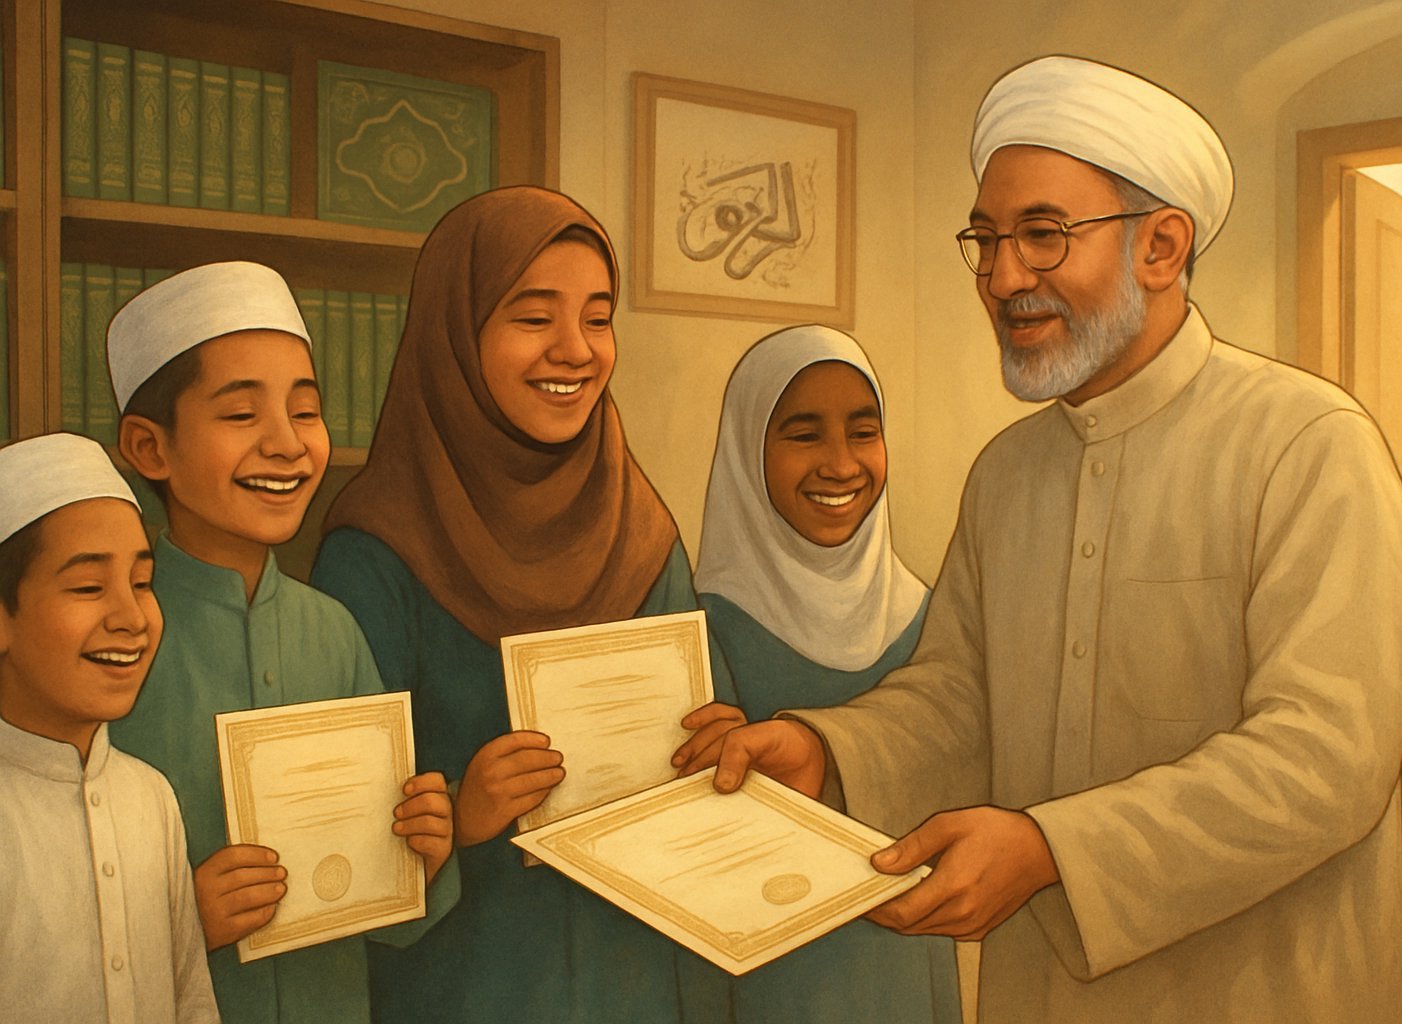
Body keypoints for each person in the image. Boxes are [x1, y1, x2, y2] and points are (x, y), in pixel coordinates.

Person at [711, 55, 1402, 1022]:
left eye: (1043, 236)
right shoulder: (1007, 475)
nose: (1004, 279)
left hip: (1263, 985)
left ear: (1162, 247)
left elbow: (1326, 762)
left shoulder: (1307, 445)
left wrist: (1049, 851)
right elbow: (961, 697)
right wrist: (825, 752)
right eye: (988, 240)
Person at [309, 186, 742, 1024]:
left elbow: (702, 732)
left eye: (598, 317)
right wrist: (461, 813)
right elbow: (327, 849)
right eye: (534, 317)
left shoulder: (640, 528)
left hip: (637, 975)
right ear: (457, 335)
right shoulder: (374, 553)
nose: (575, 351)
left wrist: (720, 741)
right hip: (469, 984)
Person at [105, 261, 459, 1024]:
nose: (287, 445)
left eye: (306, 412)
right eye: (240, 416)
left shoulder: (332, 629)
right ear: (149, 448)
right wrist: (177, 921)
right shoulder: (115, 636)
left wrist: (422, 851)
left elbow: (391, 909)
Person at [693, 323, 960, 1023]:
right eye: (804, 434)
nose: (840, 464)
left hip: (901, 965)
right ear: (748, 450)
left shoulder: (930, 617)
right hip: (761, 979)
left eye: (863, 432)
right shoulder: (701, 629)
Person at [0, 432, 219, 1023]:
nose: (130, 618)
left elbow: (191, 1001)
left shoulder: (150, 796)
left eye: (142, 584)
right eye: (88, 587)